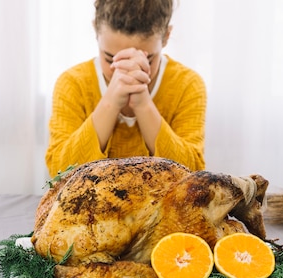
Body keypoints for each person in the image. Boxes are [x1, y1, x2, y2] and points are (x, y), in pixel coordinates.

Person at [45, 0, 206, 178]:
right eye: (110, 59)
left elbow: (193, 177)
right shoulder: (72, 84)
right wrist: (110, 103)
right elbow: (59, 175)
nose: (127, 70)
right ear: (95, 30)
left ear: (166, 36)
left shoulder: (187, 84)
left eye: (148, 60)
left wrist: (143, 105)